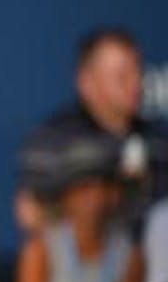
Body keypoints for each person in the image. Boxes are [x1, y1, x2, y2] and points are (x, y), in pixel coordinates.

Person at [18, 29, 168, 237]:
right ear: (86, 83)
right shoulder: (52, 141)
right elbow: (31, 212)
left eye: (137, 71)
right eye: (121, 76)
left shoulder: (159, 142)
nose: (135, 83)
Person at [15, 131, 144, 282]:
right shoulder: (41, 250)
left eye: (103, 186)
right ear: (66, 196)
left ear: (114, 193)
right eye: (84, 188)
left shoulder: (128, 254)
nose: (94, 197)